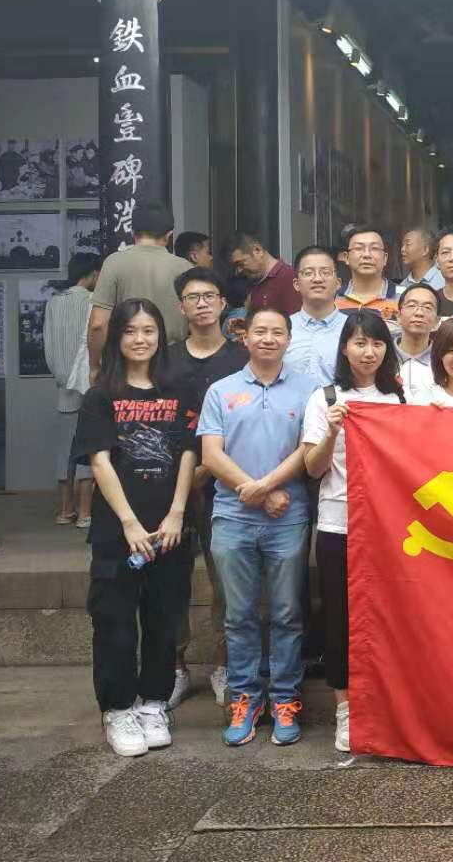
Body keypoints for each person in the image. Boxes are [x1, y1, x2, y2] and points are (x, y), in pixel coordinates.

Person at [72, 298, 198, 758]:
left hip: (170, 529)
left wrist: (177, 513)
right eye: (130, 331)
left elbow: (189, 452)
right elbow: (100, 461)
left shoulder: (179, 389)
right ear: (116, 338)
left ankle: (153, 703)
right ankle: (119, 708)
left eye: (149, 330)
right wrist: (128, 523)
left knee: (164, 621)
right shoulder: (101, 395)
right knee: (114, 623)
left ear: (160, 335)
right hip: (118, 532)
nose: (140, 339)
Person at [197, 307, 318, 748]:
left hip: (288, 517)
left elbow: (309, 449)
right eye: (260, 331)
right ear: (244, 337)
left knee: (287, 613)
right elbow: (211, 455)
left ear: (289, 339)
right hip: (232, 515)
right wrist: (260, 492)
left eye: (277, 332)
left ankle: (285, 697)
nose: (268, 339)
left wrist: (267, 487)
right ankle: (245, 698)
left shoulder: (309, 389)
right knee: (239, 614)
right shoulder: (221, 390)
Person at [301, 310, 405, 752]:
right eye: (360, 343)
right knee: (341, 618)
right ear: (344, 347)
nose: (369, 352)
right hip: (338, 524)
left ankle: (386, 703)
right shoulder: (325, 398)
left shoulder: (400, 397)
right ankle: (345, 708)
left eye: (377, 343)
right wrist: (331, 431)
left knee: (392, 615)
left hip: (391, 528)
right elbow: (312, 467)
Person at [168, 266, 250, 708]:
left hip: (228, 487)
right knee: (171, 580)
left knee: (228, 582)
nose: (202, 304)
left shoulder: (241, 357)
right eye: (192, 298)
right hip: (172, 488)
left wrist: (212, 468)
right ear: (181, 308)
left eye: (209, 296)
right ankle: (175, 666)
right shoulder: (165, 360)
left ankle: (224, 664)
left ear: (222, 303)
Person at [89, 204, 191, 378]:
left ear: (133, 233)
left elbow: (98, 324)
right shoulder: (185, 268)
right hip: (173, 362)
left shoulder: (114, 263)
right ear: (169, 235)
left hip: (126, 365)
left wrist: (95, 366)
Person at [45, 252, 101, 527]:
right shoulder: (94, 301)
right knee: (88, 448)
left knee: (64, 451)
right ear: (93, 274)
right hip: (90, 384)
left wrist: (61, 374)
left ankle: (65, 510)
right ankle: (86, 513)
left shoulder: (54, 302)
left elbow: (48, 343)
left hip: (63, 385)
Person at [283, 246, 348, 385]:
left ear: (338, 284)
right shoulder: (282, 329)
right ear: (296, 284)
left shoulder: (352, 329)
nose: (317, 279)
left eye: (325, 272)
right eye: (308, 273)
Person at [228, 232, 302, 318]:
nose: (239, 270)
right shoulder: (254, 282)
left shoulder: (288, 277)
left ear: (257, 250)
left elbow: (295, 321)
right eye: (236, 266)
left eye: (241, 263)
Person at [334, 227, 400, 323]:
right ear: (346, 257)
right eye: (358, 248)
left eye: (374, 248)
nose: (366, 255)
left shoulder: (405, 296)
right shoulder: (333, 298)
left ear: (385, 258)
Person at [394, 283, 439, 396]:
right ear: (398, 316)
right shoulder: (381, 357)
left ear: (437, 321)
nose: (419, 313)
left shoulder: (444, 361)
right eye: (411, 305)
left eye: (427, 307)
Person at [396, 226, 445, 293]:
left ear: (425, 250)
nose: (402, 249)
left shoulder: (444, 280)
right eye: (402, 245)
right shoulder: (402, 286)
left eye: (408, 244)